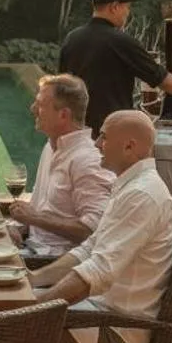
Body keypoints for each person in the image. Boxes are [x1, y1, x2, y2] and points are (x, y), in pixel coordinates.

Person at [29, 110, 172, 343]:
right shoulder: (130, 186)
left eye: (104, 137)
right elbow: (88, 250)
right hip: (95, 314)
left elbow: (99, 271)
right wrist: (33, 280)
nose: (97, 144)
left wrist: (34, 310)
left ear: (129, 147)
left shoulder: (142, 195)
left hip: (115, 334)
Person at [58, 0, 172, 132]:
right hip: (111, 131)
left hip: (76, 130)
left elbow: (61, 85)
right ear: (114, 7)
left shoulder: (72, 39)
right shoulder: (121, 42)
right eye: (127, 7)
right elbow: (159, 77)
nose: (128, 13)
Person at [6, 73, 113, 257]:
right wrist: (19, 227)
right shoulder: (51, 146)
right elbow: (41, 208)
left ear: (63, 115)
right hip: (32, 248)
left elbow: (94, 230)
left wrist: (35, 218)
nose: (33, 109)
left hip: (55, 260)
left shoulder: (87, 161)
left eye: (40, 105)